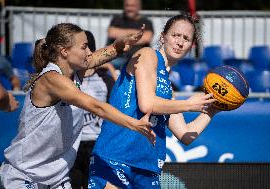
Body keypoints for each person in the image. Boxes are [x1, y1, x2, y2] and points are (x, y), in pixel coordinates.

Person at [0, 23, 155, 189]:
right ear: (64, 51)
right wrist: (134, 123)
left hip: (56, 178)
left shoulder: (74, 70)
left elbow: (101, 55)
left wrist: (119, 44)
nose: (89, 52)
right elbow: (96, 107)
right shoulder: (51, 78)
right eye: (84, 47)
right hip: (24, 174)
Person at [88, 14, 220, 189]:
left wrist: (214, 109)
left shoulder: (168, 89)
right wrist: (189, 104)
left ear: (190, 47)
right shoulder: (147, 54)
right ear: (162, 37)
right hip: (116, 158)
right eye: (175, 35)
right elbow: (147, 103)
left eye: (186, 39)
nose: (180, 42)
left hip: (147, 168)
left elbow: (185, 134)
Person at [69, 30, 117, 189]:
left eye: (87, 48)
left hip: (96, 146)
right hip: (71, 146)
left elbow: (116, 108)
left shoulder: (105, 80)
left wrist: (110, 69)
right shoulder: (67, 79)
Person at [106, 0, 154, 68]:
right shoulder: (117, 19)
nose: (129, 8)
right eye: (127, 5)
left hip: (139, 58)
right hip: (117, 58)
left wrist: (122, 35)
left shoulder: (146, 22)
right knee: (104, 64)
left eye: (132, 6)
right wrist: (137, 34)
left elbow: (147, 38)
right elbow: (112, 33)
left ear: (139, 7)